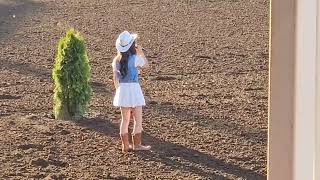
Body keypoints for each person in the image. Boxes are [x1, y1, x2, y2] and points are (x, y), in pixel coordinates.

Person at [112, 31, 151, 153]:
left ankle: (125, 146)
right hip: (134, 90)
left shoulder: (116, 60)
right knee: (137, 119)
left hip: (122, 90)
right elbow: (146, 66)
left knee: (125, 119)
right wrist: (140, 52)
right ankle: (137, 144)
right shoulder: (135, 59)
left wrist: (118, 90)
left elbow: (115, 78)